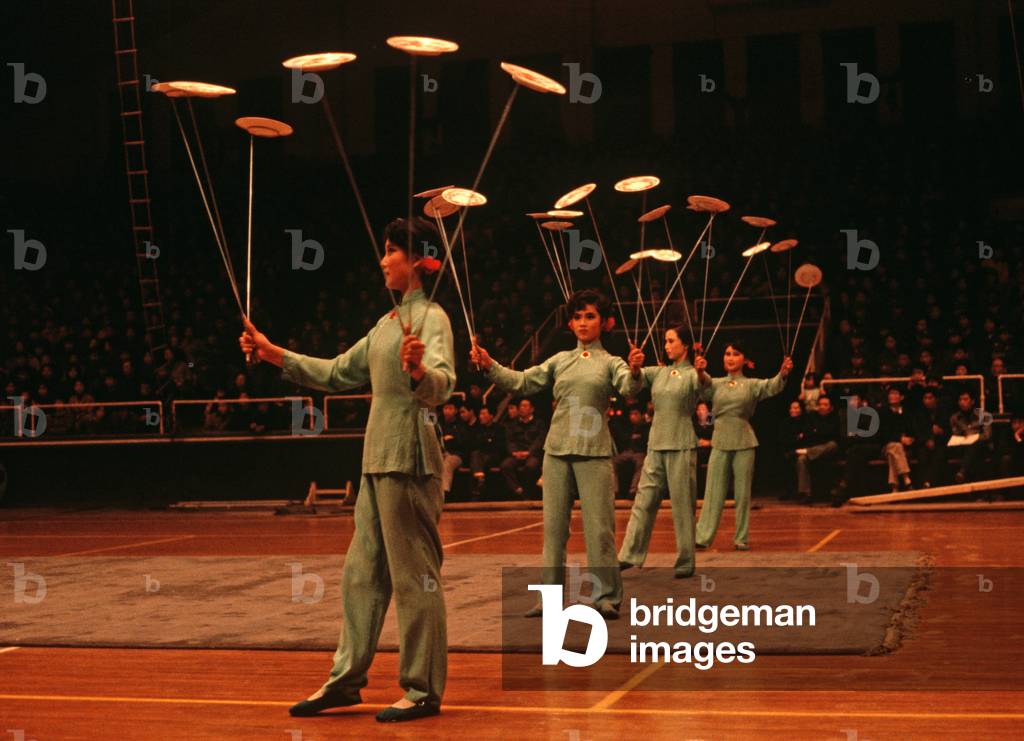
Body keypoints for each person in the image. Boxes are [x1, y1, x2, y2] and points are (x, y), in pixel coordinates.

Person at [240, 217, 454, 723]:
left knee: (414, 577)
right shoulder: (385, 326)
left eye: (390, 251)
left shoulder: (433, 318)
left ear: (418, 261)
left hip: (410, 456)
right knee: (360, 575)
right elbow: (337, 372)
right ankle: (346, 680)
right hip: (377, 459)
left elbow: (442, 385)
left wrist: (422, 370)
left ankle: (422, 688)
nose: (382, 260)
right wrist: (274, 354)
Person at [471, 289, 644, 619]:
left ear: (604, 323)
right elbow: (522, 382)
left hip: (594, 451)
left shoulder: (613, 363)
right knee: (553, 531)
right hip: (556, 450)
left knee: (599, 528)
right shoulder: (559, 360)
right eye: (578, 316)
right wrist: (490, 365)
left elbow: (629, 388)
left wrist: (636, 371)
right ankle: (549, 600)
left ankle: (606, 596)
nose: (582, 322)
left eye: (590, 316)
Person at [617, 326, 709, 577]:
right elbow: (630, 387)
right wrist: (634, 367)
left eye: (671, 341)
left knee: (683, 505)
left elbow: (706, 387)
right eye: (665, 341)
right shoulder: (658, 372)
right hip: (656, 444)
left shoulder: (693, 373)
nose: (666, 345)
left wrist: (701, 373)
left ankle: (686, 561)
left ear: (685, 345)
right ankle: (629, 554)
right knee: (642, 502)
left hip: (681, 443)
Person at [695, 342, 793, 550]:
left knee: (742, 493)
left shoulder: (751, 384)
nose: (730, 357)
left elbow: (772, 386)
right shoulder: (716, 383)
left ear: (745, 360)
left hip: (744, 440)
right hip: (720, 439)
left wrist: (783, 373)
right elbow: (701, 385)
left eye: (736, 354)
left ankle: (741, 538)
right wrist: (700, 370)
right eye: (727, 353)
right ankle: (702, 537)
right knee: (713, 492)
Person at [795, 395, 841, 503]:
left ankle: (808, 452)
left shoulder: (835, 418)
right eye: (820, 404)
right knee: (801, 459)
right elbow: (808, 434)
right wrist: (818, 433)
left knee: (832, 445)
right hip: (814, 447)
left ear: (831, 407)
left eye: (825, 405)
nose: (822, 407)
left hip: (829, 450)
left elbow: (833, 434)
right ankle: (805, 493)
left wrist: (817, 431)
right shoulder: (811, 417)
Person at [501, 398, 545, 499]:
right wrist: (514, 452)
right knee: (505, 465)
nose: (522, 408)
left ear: (532, 409)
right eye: (520, 406)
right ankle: (517, 489)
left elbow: (540, 441)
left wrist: (529, 452)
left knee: (531, 466)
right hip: (517, 454)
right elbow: (509, 440)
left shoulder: (539, 423)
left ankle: (528, 492)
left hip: (532, 454)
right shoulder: (512, 424)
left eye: (525, 406)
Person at [949, 390, 992, 483]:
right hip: (962, 447)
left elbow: (987, 435)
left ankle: (962, 472)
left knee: (976, 448)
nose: (962, 402)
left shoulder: (984, 415)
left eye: (965, 399)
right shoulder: (954, 418)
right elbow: (955, 434)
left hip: (981, 446)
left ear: (972, 401)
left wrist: (974, 436)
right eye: (960, 400)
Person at [878, 387, 915, 492]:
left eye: (895, 393)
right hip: (886, 446)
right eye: (890, 393)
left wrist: (909, 439)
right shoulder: (882, 412)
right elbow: (882, 434)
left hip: (904, 449)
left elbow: (912, 430)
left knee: (892, 455)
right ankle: (907, 479)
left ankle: (894, 487)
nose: (891, 396)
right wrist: (899, 438)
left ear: (901, 397)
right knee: (895, 446)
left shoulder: (908, 412)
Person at [469, 402, 507, 498]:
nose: (481, 416)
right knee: (475, 454)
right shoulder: (477, 428)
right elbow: (473, 444)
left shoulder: (499, 428)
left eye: (484, 414)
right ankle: (480, 479)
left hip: (494, 456)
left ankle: (479, 480)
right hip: (481, 456)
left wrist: (486, 442)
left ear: (491, 416)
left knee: (476, 458)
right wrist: (487, 441)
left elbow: (499, 446)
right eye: (480, 414)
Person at [611, 405, 650, 499]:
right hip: (627, 452)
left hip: (640, 452)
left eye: (636, 414)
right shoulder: (627, 426)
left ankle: (634, 490)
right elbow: (623, 439)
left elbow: (646, 440)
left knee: (641, 464)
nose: (633, 416)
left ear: (642, 415)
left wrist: (638, 437)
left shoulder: (646, 427)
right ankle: (614, 491)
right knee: (612, 463)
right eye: (631, 414)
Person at [913, 388, 949, 487]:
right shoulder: (918, 413)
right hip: (923, 443)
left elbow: (949, 431)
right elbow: (917, 431)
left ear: (936, 399)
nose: (927, 400)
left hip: (940, 442)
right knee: (922, 455)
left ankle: (932, 484)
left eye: (930, 398)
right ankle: (925, 483)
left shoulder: (943, 411)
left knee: (939, 455)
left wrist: (941, 432)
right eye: (925, 398)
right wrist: (927, 440)